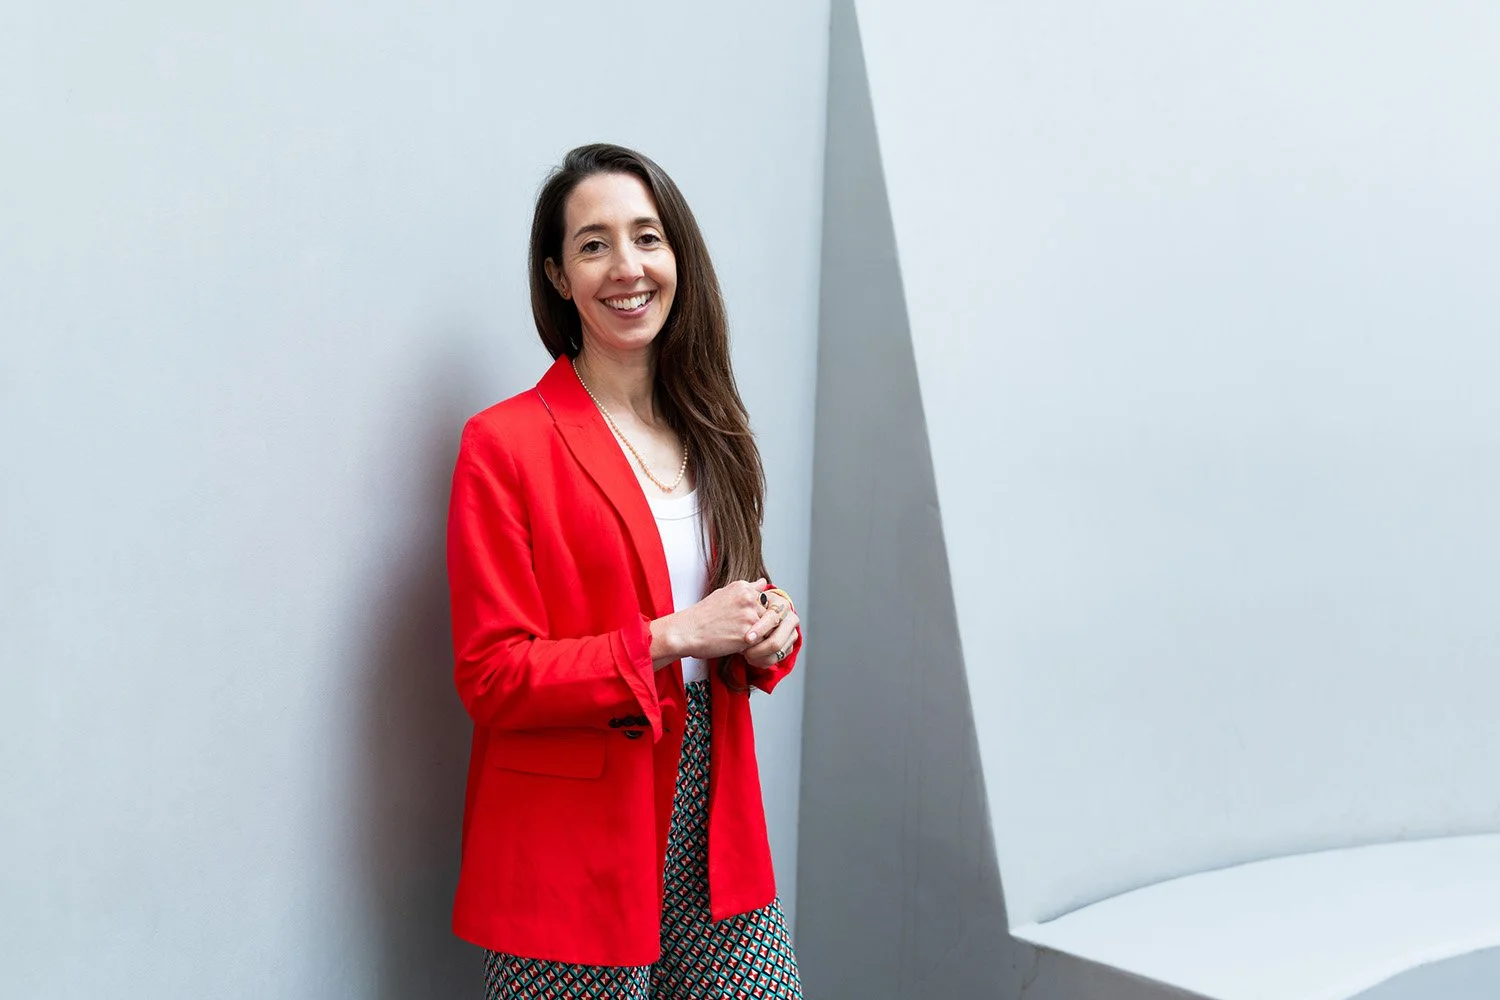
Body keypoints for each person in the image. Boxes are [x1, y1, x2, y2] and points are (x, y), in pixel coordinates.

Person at [445, 143, 806, 999]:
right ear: (559, 277)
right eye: (593, 244)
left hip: (713, 829)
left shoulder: (712, 432)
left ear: (677, 255)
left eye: (646, 237)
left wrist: (768, 629)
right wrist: (674, 636)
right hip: (570, 850)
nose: (627, 267)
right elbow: (492, 674)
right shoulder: (503, 445)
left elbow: (719, 599)